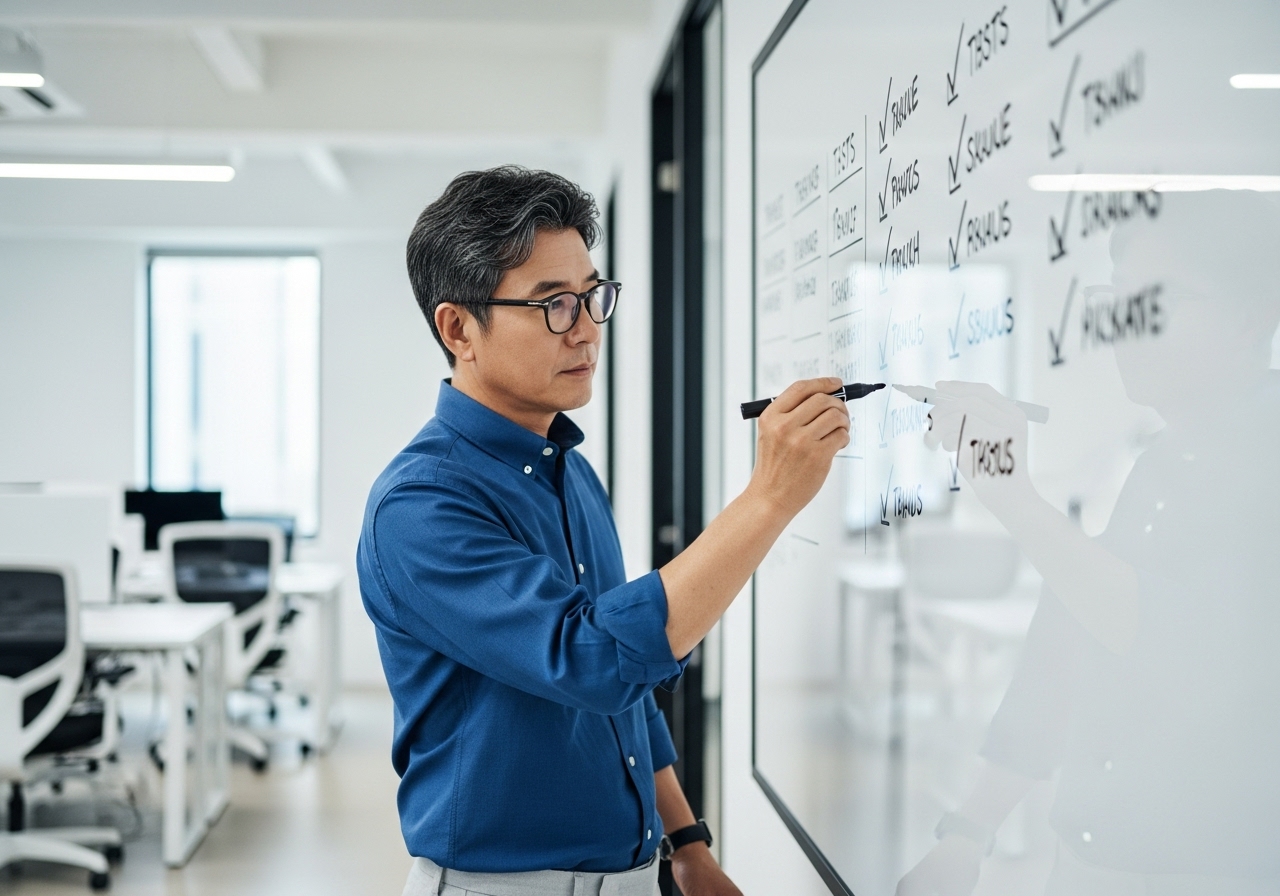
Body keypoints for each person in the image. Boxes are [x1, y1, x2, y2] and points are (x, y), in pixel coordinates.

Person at [358, 166, 851, 896]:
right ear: (458, 327)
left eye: (592, 296)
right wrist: (768, 499)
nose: (587, 328)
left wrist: (686, 843)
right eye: (553, 304)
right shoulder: (420, 506)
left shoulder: (569, 470)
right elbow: (596, 660)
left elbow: (629, 696)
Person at [897, 191, 1280, 895]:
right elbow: (1070, 642)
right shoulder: (1165, 458)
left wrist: (1013, 494)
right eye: (1116, 299)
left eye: (1154, 302)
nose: (1122, 328)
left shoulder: (1268, 460)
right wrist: (970, 831)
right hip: (1094, 864)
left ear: (1251, 318)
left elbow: (1170, 638)